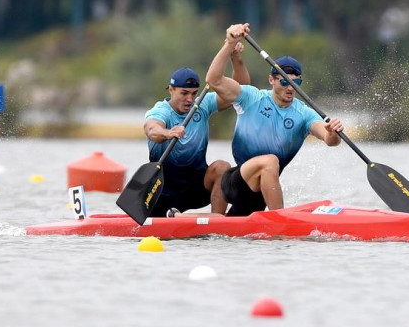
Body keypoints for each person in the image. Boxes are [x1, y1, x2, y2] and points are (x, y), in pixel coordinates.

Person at [206, 23, 344, 216]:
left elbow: (330, 140)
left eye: (297, 82)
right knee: (270, 160)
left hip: (262, 193)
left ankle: (175, 218)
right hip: (235, 183)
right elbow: (214, 80)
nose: (291, 87)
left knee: (227, 223)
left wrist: (332, 132)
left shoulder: (303, 113)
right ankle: (280, 221)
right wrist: (230, 43)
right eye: (285, 81)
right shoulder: (251, 97)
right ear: (272, 80)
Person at [144, 43, 250, 216]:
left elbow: (242, 92)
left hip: (196, 189)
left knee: (222, 167)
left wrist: (236, 60)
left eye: (194, 93)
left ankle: (217, 223)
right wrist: (168, 133)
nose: (190, 99)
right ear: (171, 89)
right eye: (184, 93)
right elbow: (152, 130)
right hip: (162, 192)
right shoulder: (160, 111)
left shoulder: (201, 104)